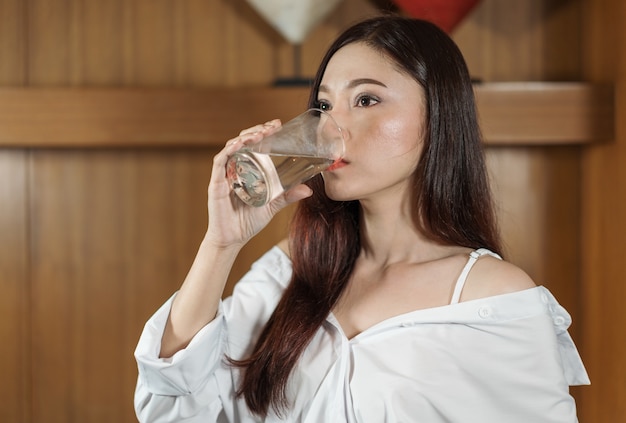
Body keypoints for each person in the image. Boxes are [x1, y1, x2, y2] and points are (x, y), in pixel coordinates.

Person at [134, 15, 589, 422]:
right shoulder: (292, 267)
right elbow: (175, 408)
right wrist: (220, 244)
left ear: (438, 117)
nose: (334, 127)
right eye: (326, 106)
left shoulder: (496, 299)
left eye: (367, 100)